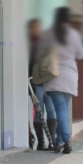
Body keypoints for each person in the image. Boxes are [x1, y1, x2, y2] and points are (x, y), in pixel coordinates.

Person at [40, 7, 83, 153]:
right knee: (63, 110)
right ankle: (59, 142)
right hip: (70, 75)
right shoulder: (73, 34)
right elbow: (81, 54)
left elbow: (40, 52)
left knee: (60, 110)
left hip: (54, 75)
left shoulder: (48, 34)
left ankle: (66, 140)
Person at [28, 19, 57, 151]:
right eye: (34, 27)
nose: (37, 30)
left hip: (49, 81)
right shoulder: (30, 45)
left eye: (39, 27)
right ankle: (41, 142)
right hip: (36, 82)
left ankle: (52, 141)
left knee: (51, 110)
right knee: (40, 111)